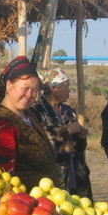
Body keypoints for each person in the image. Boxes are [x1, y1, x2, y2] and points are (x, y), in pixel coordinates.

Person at [0, 56, 64, 191]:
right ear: (9, 85)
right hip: (24, 202)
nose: (29, 95)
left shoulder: (28, 115)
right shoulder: (1, 125)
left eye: (34, 90)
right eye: (25, 88)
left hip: (46, 199)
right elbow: (2, 180)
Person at [33, 67, 93, 200]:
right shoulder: (36, 111)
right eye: (66, 86)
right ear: (54, 88)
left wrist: (81, 137)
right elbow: (40, 142)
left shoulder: (68, 111)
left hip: (77, 175)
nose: (69, 90)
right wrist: (66, 131)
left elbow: (78, 147)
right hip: (53, 178)